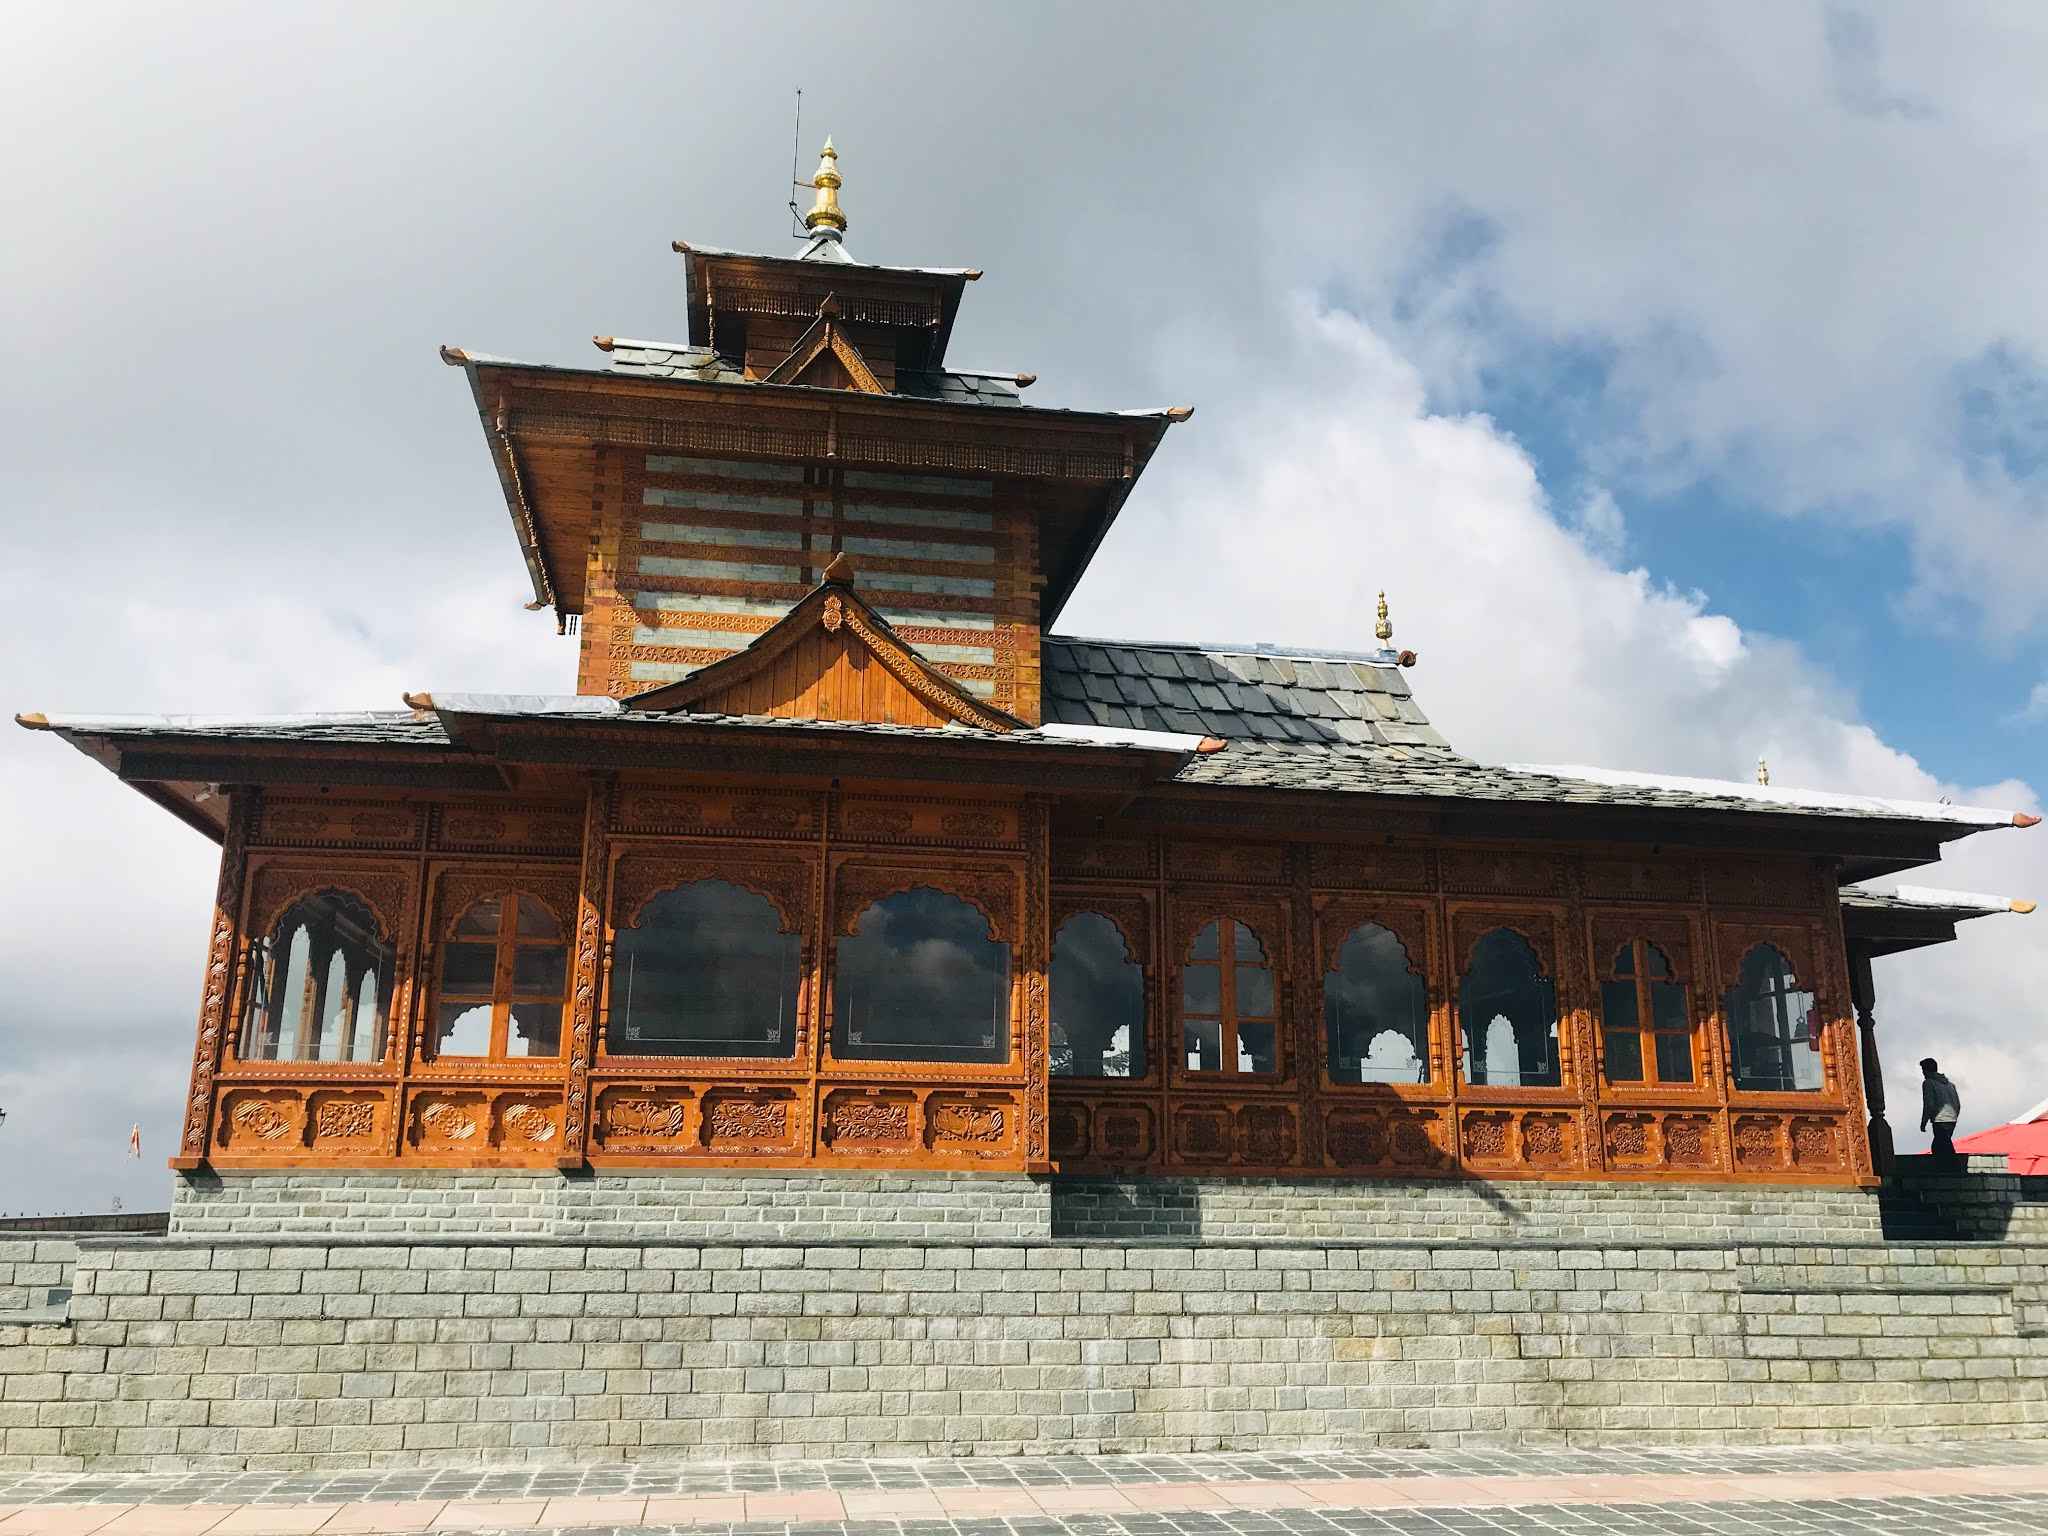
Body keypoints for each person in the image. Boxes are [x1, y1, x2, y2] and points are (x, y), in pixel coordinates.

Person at [1920, 1058, 1962, 1169]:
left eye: (1923, 1070)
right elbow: (1957, 1104)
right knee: (1942, 1144)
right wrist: (1954, 1116)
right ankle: (1949, 1168)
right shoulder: (1950, 1085)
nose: (1923, 1073)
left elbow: (1929, 1104)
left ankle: (1953, 1168)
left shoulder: (1928, 1083)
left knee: (1940, 1146)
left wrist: (1924, 1121)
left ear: (1926, 1070)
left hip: (1939, 1119)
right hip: (1952, 1119)